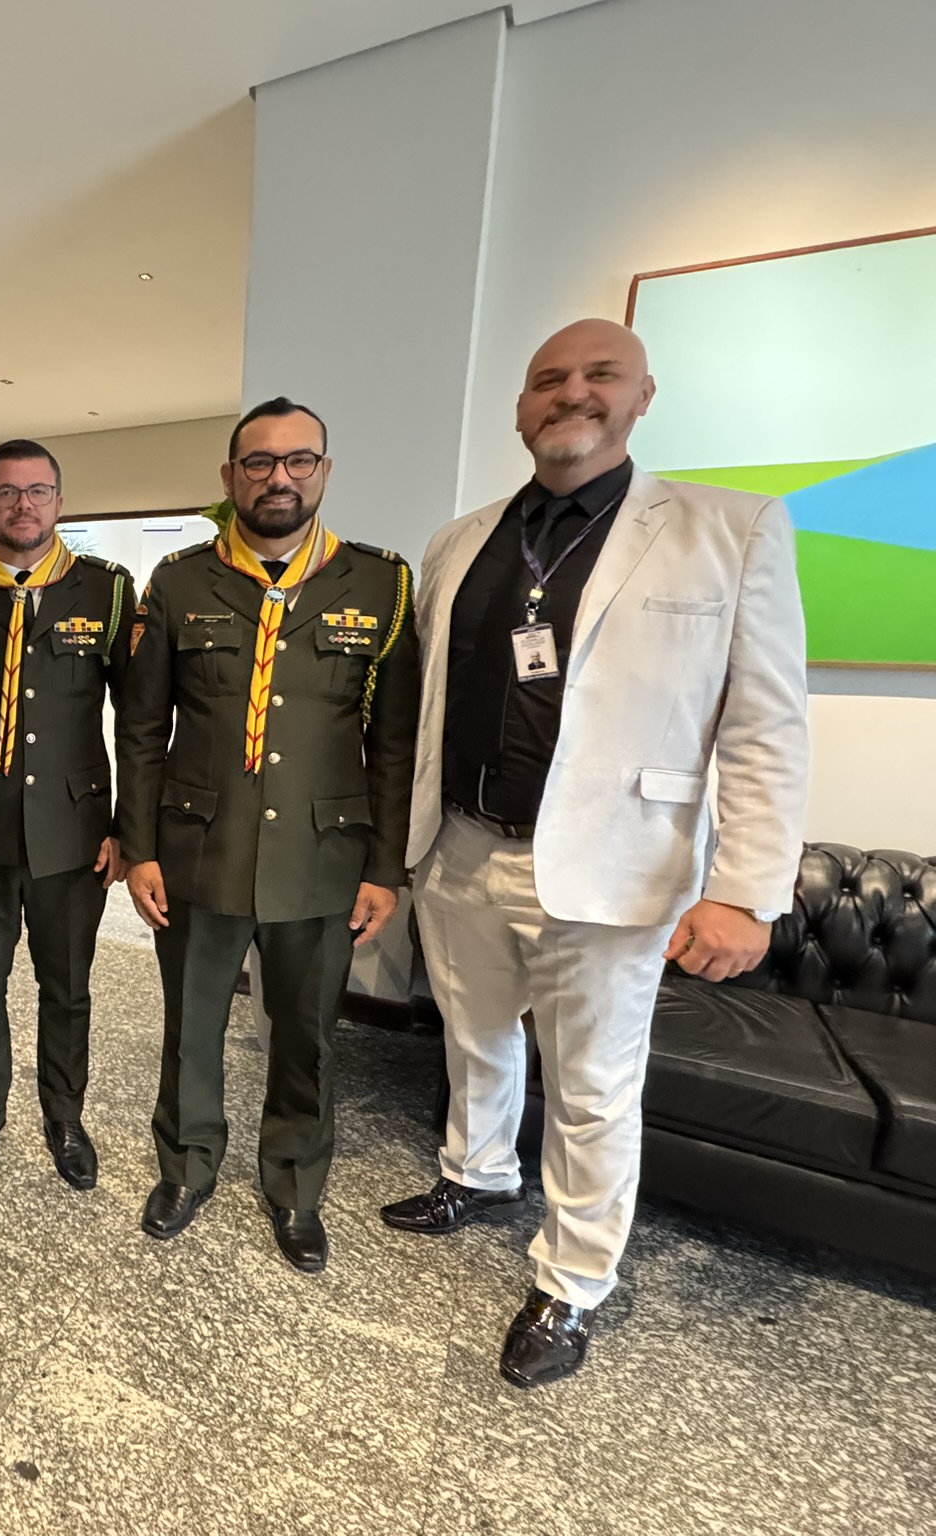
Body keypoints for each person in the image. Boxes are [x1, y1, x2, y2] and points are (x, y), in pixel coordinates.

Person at [381, 319, 807, 1388]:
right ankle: (477, 1171)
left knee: (591, 1089)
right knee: (474, 1037)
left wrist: (745, 891)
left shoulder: (729, 529)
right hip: (459, 846)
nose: (570, 394)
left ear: (641, 396)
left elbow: (764, 726)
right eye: (547, 380)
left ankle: (570, 1284)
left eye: (599, 375)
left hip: (615, 867)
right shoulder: (459, 541)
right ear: (521, 408)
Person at [117, 398, 419, 1269]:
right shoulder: (179, 581)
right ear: (231, 476)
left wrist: (385, 867)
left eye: (298, 461)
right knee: (192, 1026)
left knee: (307, 1036)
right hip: (197, 851)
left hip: (322, 858)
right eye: (258, 462)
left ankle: (293, 1185)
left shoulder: (380, 584)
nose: (278, 477)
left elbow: (393, 744)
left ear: (324, 472)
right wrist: (139, 849)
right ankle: (187, 1166)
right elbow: (142, 729)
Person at [0, 439, 134, 1189]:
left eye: (38, 490)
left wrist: (129, 831)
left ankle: (64, 1114)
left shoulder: (106, 591)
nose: (23, 505)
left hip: (74, 833)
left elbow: (139, 721)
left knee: (66, 986)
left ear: (59, 502)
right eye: (7, 492)